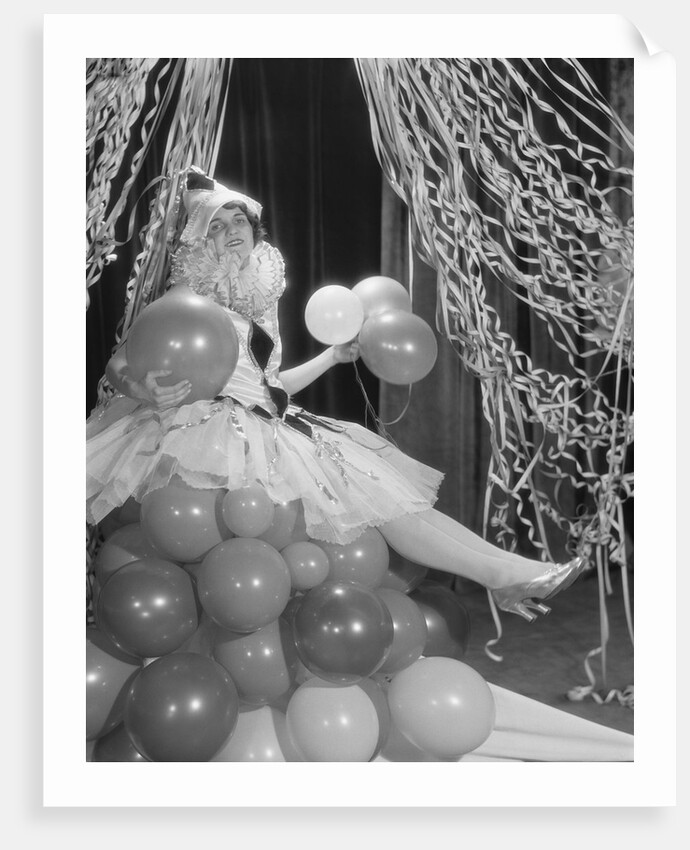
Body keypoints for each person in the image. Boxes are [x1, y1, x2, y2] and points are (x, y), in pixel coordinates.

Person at [87, 167, 588, 622]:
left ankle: (510, 568)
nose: (231, 231)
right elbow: (122, 362)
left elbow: (271, 388)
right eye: (215, 225)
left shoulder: (260, 299)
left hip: (268, 420)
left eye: (237, 219)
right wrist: (140, 386)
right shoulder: (189, 298)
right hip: (214, 434)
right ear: (196, 243)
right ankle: (501, 576)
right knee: (381, 506)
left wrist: (330, 359)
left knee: (398, 500)